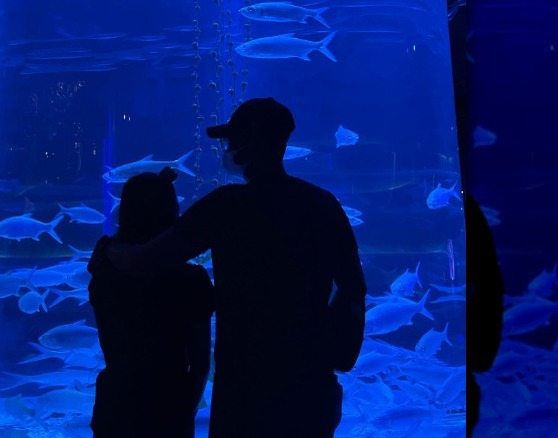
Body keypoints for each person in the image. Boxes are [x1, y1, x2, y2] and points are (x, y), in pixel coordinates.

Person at [89, 97, 367, 437]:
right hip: (310, 385)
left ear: (250, 145)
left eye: (230, 141)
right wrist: (336, 355)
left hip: (245, 388)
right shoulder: (323, 204)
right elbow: (353, 287)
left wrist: (108, 248)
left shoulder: (226, 207)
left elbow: (148, 261)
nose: (226, 148)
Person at [87, 168, 214, 438]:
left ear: (125, 212)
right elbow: (201, 361)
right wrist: (186, 410)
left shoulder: (103, 271)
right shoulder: (191, 280)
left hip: (116, 403)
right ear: (173, 213)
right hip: (170, 402)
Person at [464, 192, 504, 437]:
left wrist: (481, 353)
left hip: (461, 357)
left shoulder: (460, 203)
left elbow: (489, 283)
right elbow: (490, 282)